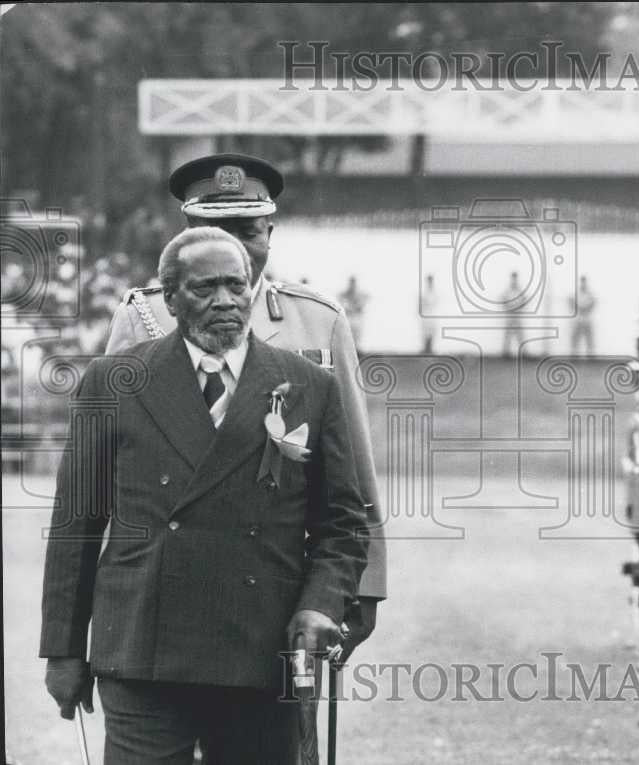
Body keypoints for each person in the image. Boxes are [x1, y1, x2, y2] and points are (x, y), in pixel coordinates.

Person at [41, 227, 369, 763]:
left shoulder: (309, 385)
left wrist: (320, 605)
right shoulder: (114, 380)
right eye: (204, 289)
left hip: (262, 650)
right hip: (142, 648)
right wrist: (63, 651)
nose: (224, 301)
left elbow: (343, 524)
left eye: (236, 286)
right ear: (170, 298)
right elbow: (76, 525)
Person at [104, 154, 385, 660]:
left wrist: (361, 583)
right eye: (215, 229)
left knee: (281, 736)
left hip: (281, 586)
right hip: (164, 586)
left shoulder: (317, 322)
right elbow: (108, 472)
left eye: (247, 230)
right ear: (185, 236)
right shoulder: (144, 318)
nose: (233, 248)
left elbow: (353, 470)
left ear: (270, 235)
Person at [338, 275, 369, 355]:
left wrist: (357, 305)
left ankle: (357, 349)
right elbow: (342, 302)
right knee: (348, 334)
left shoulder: (360, 294)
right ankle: (349, 349)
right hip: (349, 317)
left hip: (357, 318)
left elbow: (364, 300)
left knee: (357, 334)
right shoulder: (345, 293)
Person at [500, 271, 525, 358]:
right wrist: (508, 308)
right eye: (513, 278)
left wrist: (519, 308)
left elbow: (524, 300)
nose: (514, 280)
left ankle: (523, 353)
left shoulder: (519, 290)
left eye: (515, 278)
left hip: (517, 315)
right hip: (510, 315)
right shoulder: (508, 290)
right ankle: (505, 353)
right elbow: (503, 299)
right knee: (508, 334)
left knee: (520, 334)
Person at [570, 275, 596, 356]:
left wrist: (586, 309)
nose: (583, 283)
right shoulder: (576, 294)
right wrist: (578, 308)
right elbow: (571, 302)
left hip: (587, 319)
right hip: (578, 319)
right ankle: (574, 354)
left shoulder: (590, 294)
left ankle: (590, 355)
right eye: (582, 282)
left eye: (584, 282)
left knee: (589, 338)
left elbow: (593, 303)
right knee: (575, 338)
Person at [420, 273, 439, 353]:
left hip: (432, 316)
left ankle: (430, 349)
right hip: (426, 316)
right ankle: (426, 349)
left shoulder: (434, 293)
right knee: (426, 333)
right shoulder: (424, 293)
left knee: (431, 333)